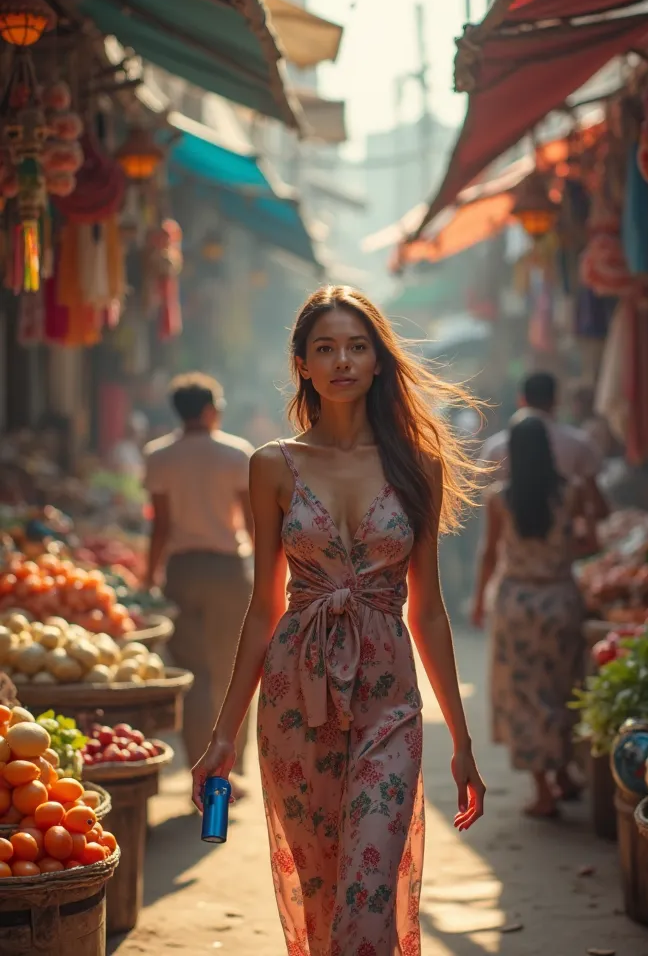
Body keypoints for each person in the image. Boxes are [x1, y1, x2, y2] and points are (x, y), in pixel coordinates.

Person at [192, 285, 485, 955]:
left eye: (357, 346)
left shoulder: (420, 464)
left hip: (390, 699)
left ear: (379, 361)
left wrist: (462, 741)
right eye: (325, 348)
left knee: (366, 893)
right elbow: (264, 607)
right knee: (322, 891)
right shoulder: (271, 465)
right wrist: (221, 736)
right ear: (302, 364)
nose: (342, 360)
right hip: (297, 696)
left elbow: (431, 611)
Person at [472, 414, 594, 819]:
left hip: (517, 604)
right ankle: (563, 774)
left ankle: (544, 789)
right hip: (560, 601)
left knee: (527, 696)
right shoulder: (571, 493)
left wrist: (476, 601)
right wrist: (558, 556)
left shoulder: (499, 500)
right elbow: (589, 540)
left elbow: (489, 555)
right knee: (562, 689)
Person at [143, 374, 254, 791]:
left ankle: (199, 768)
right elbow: (252, 520)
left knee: (192, 676)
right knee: (231, 671)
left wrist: (149, 575)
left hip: (182, 571)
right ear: (210, 410)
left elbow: (160, 527)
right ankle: (232, 769)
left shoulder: (159, 455)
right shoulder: (235, 453)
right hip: (228, 570)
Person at [481, 371, 609, 518]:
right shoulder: (578, 443)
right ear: (555, 400)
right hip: (563, 537)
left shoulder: (494, 448)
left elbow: (487, 507)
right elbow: (598, 506)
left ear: (521, 400)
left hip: (512, 538)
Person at [108, 411, 148, 482]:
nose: (140, 435)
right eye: (139, 432)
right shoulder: (121, 448)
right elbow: (119, 469)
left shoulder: (136, 449)